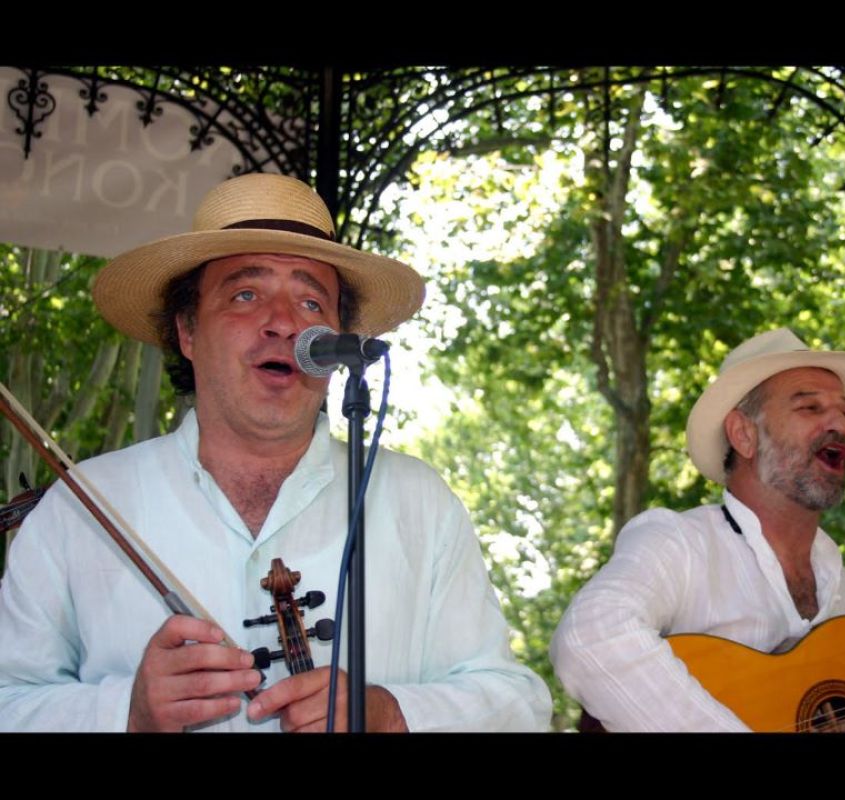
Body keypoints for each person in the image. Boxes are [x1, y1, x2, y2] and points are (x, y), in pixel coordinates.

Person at [0, 173, 551, 732]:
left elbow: (517, 704)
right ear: (187, 331)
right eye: (246, 294)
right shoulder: (83, 505)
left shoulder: (416, 501)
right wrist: (126, 712)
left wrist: (388, 714)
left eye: (311, 301)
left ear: (334, 342)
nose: (284, 322)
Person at [550, 328, 845, 732]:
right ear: (744, 435)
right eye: (810, 407)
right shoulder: (680, 544)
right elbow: (591, 635)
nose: (841, 425)